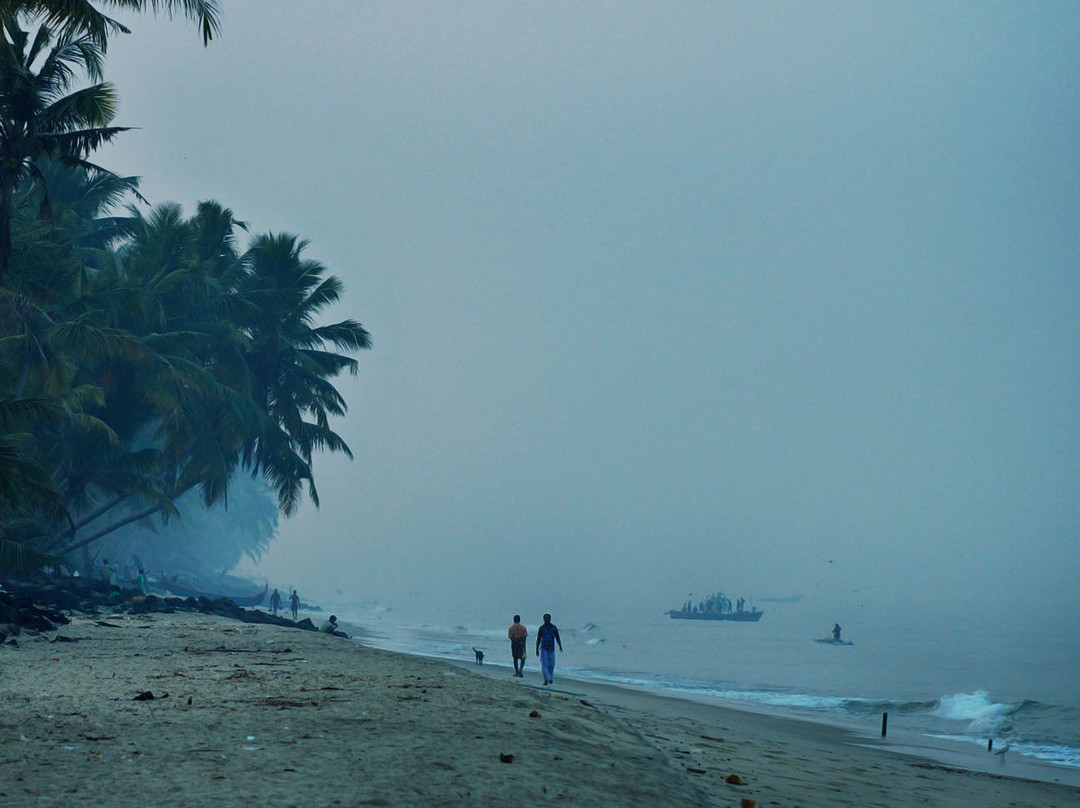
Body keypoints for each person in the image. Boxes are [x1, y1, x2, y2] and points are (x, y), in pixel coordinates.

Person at [534, 613, 563, 686]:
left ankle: (550, 676)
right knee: (544, 664)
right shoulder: (541, 628)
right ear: (543, 619)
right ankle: (546, 679)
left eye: (548, 618)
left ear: (550, 619)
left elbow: (557, 637)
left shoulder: (554, 628)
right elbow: (538, 639)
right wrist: (537, 649)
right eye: (546, 618)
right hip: (544, 648)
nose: (547, 620)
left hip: (551, 648)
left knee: (552, 664)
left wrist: (560, 645)